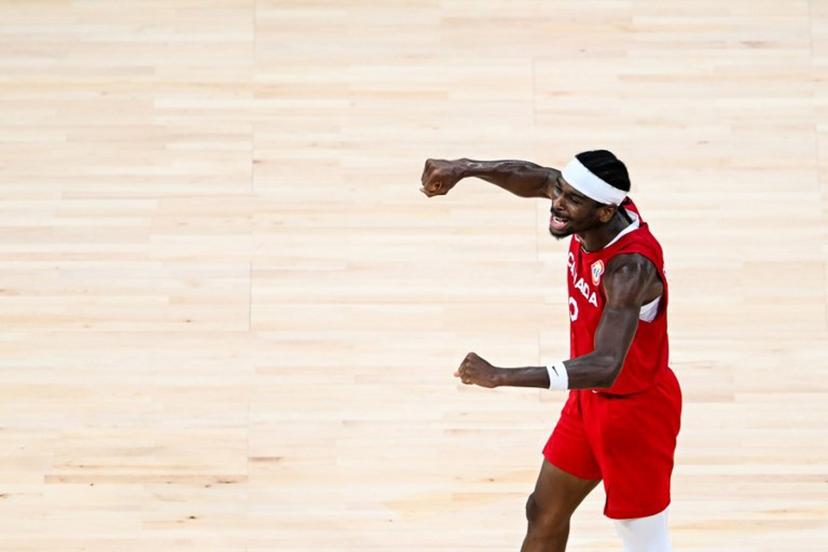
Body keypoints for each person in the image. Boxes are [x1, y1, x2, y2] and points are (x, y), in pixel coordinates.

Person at [420, 150, 682, 552]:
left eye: (572, 199)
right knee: (543, 510)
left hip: (635, 415)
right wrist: (465, 168)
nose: (558, 202)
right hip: (587, 401)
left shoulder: (629, 270)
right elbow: (534, 176)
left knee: (642, 542)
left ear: (604, 214)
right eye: (561, 191)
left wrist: (502, 376)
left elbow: (606, 365)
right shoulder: (590, 203)